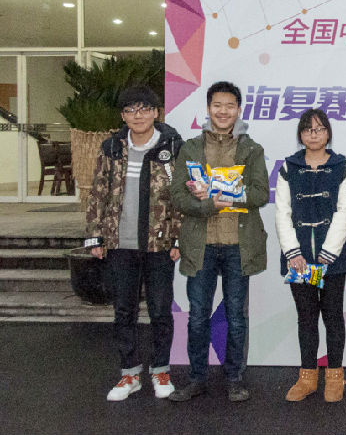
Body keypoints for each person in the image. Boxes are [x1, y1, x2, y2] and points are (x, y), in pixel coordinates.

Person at [168, 81, 269, 403]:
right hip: (202, 245)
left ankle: (235, 378)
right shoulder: (190, 148)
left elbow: (261, 194)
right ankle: (197, 378)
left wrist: (228, 193)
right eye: (217, 105)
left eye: (229, 106)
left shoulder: (252, 149)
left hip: (239, 244)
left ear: (238, 110)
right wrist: (207, 206)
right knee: (198, 315)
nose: (223, 111)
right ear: (208, 109)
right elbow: (177, 195)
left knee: (237, 317)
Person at [84, 85, 183, 401]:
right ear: (122, 116)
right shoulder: (112, 147)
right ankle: (129, 374)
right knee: (124, 311)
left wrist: (178, 237)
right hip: (119, 245)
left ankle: (161, 370)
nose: (138, 116)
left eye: (144, 109)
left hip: (159, 245)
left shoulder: (172, 146)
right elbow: (98, 192)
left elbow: (182, 194)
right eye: (130, 110)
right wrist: (96, 235)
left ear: (156, 112)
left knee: (160, 310)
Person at [274, 109, 346, 403]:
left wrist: (327, 253)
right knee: (306, 318)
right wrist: (293, 252)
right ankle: (307, 376)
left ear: (328, 133)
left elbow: (345, 213)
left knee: (333, 316)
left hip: (332, 259)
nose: (314, 134)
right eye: (308, 129)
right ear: (300, 134)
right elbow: (282, 212)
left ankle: (335, 376)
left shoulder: (342, 166)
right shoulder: (289, 167)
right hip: (298, 261)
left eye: (319, 129)